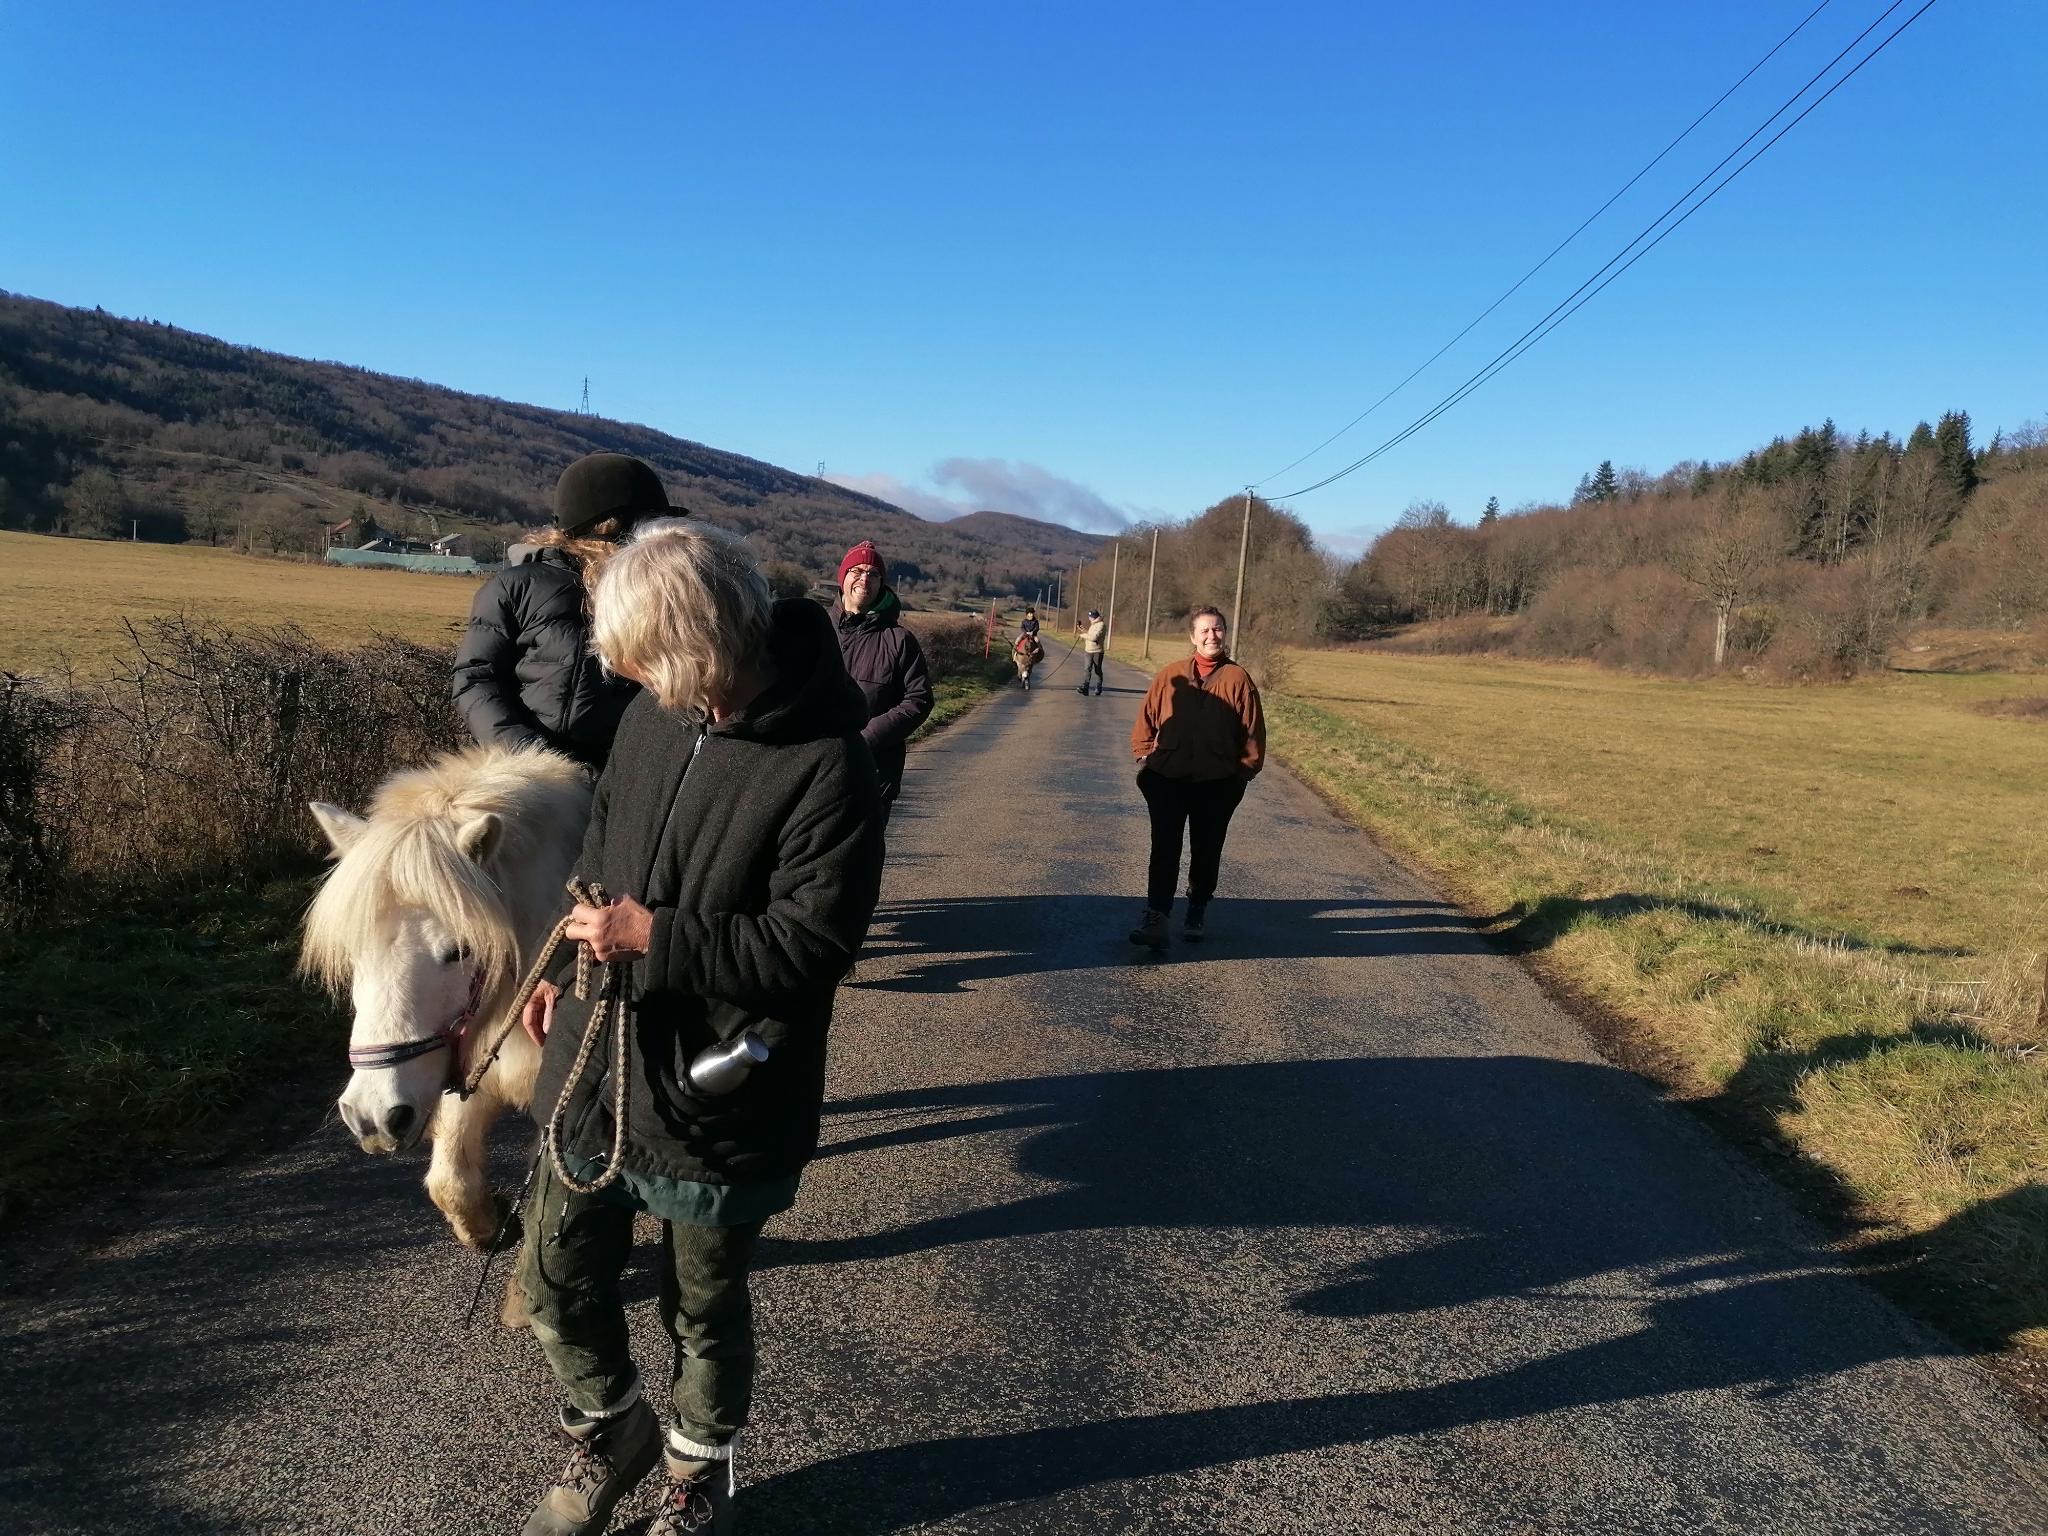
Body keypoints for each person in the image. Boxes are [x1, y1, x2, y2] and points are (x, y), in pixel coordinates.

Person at [513, 519, 884, 1536]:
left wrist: (653, 936)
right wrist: (568, 956)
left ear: (698, 645)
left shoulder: (827, 767)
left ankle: (693, 1469)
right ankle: (611, 1424)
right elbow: (599, 845)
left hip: (718, 1092)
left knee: (702, 1313)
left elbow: (811, 950)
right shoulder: (649, 716)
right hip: (595, 1058)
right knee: (550, 1277)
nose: (623, 671)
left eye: (639, 653)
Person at [451, 452, 683, 770]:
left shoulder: (661, 592)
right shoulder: (517, 587)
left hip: (622, 775)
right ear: (602, 528)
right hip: (528, 779)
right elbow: (476, 678)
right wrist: (529, 757)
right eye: (642, 531)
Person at [1127, 605, 1265, 949]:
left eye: (1217, 629)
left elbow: (1253, 732)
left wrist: (1243, 774)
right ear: (1192, 637)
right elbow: (1146, 718)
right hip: (1167, 778)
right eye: (1204, 630)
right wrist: (1144, 756)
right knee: (1164, 849)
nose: (1211, 636)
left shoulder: (1238, 679)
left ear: (1225, 634)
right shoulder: (1169, 675)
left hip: (1216, 784)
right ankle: (1157, 918)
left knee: (1207, 849)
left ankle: (1197, 906)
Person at [830, 540, 934, 818]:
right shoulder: (815, 630)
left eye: (873, 574)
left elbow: (919, 700)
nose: (865, 579)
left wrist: (865, 739)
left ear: (881, 584)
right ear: (843, 578)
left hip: (873, 772)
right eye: (857, 571)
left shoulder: (900, 640)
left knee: (862, 859)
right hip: (815, 770)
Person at [1076, 608, 1107, 696]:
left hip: (1097, 651)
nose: (1089, 618)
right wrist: (1083, 630)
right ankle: (1085, 688)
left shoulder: (1101, 625)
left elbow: (1094, 637)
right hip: (1088, 651)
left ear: (1094, 617)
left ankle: (1099, 686)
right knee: (1087, 669)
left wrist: (1082, 635)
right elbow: (1090, 634)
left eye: (1090, 617)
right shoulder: (1093, 625)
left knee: (1097, 670)